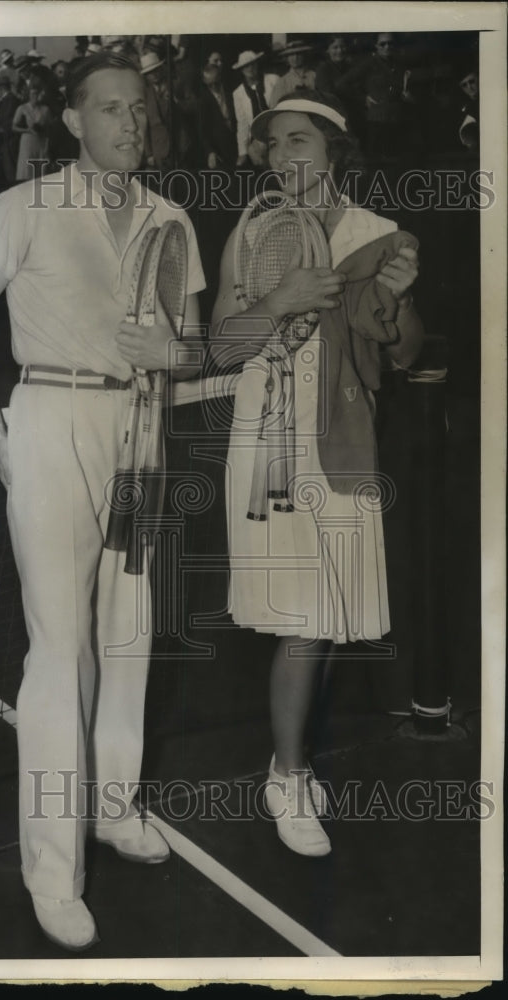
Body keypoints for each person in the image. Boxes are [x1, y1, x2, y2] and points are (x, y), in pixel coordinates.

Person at [0, 51, 205, 952]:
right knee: (59, 655)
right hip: (48, 423)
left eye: (138, 108)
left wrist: (170, 355)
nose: (128, 123)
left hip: (140, 432)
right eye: (109, 108)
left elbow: (192, 347)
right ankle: (53, 872)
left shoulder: (171, 219)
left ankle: (115, 807)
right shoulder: (23, 208)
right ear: (71, 119)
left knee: (127, 636)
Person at [210, 92, 423, 857]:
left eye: (297, 141)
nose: (280, 156)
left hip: (343, 438)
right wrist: (279, 300)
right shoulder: (253, 228)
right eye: (269, 145)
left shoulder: (377, 236)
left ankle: (285, 756)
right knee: (305, 621)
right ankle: (289, 775)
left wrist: (392, 304)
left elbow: (400, 355)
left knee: (327, 620)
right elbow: (223, 347)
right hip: (269, 441)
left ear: (336, 150)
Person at [231, 49, 268, 168]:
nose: (250, 69)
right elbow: (242, 124)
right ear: (241, 70)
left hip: (276, 131)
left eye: (252, 64)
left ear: (257, 64)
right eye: (246, 66)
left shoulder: (272, 80)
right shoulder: (238, 93)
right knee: (255, 153)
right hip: (258, 137)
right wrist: (242, 152)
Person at [12, 79, 52, 180]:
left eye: (37, 93)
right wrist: (27, 130)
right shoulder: (22, 108)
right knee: (27, 168)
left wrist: (47, 145)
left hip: (41, 140)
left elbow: (49, 129)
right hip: (28, 140)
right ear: (29, 95)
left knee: (41, 168)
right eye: (33, 93)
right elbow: (14, 127)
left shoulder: (45, 109)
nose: (35, 96)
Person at [269, 39, 317, 107]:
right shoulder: (282, 82)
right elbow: (274, 106)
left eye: (298, 54)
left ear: (304, 55)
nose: (295, 58)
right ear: (287, 58)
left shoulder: (314, 76)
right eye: (291, 54)